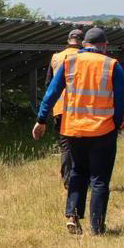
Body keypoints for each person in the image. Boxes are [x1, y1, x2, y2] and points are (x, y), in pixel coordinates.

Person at [31, 28, 124, 234]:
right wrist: (118, 123)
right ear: (104, 45)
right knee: (100, 179)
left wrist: (41, 119)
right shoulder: (112, 66)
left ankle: (72, 214)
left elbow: (51, 93)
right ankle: (97, 226)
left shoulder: (69, 62)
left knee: (78, 172)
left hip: (74, 129)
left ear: (84, 44)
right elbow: (121, 101)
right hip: (103, 130)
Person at [47, 28, 84, 186]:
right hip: (80, 108)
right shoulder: (85, 57)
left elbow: (49, 84)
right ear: (82, 41)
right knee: (82, 145)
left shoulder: (56, 57)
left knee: (66, 145)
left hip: (60, 108)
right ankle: (80, 177)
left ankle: (67, 179)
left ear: (69, 40)